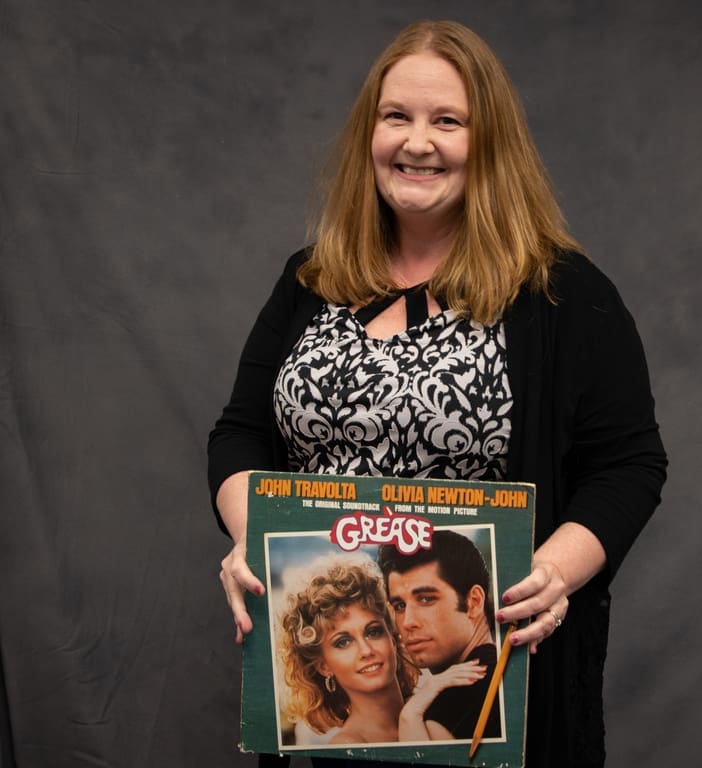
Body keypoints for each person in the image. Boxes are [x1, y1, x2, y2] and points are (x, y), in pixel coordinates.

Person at [208, 19, 667, 768]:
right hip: (336, 713)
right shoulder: (310, 280)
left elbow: (630, 465)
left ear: (487, 144)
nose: (417, 142)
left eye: (447, 121)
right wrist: (249, 538)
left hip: (491, 694)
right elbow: (239, 434)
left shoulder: (560, 293)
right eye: (398, 117)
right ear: (370, 134)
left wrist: (555, 572)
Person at [277, 556, 487, 745]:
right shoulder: (349, 745)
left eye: (373, 632)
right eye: (343, 642)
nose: (366, 650)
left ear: (393, 636)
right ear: (323, 666)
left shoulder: (441, 709)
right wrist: (409, 717)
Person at [377, 530, 501, 740]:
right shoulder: (501, 670)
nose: (407, 623)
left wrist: (409, 717)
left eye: (426, 599)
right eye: (399, 605)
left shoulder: (448, 707)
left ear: (474, 602)